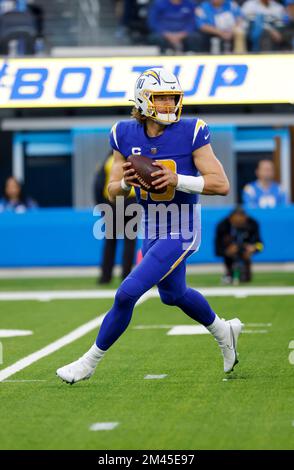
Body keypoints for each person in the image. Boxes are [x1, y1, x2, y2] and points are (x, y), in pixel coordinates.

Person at [56, 67, 243, 385]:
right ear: (144, 101)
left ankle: (87, 363)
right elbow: (112, 189)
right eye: (162, 98)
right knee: (173, 294)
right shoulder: (123, 134)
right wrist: (126, 184)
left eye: (173, 98)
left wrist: (178, 180)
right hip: (151, 225)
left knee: (127, 292)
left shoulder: (192, 131)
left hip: (183, 226)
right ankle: (224, 330)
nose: (170, 105)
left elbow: (221, 184)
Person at [94, 151, 137, 284]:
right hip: (131, 201)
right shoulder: (134, 161)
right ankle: (127, 276)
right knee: (130, 241)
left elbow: (98, 184)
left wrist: (100, 205)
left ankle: (105, 277)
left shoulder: (109, 161)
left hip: (112, 202)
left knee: (110, 241)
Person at [215, 206, 263, 284]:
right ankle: (229, 273)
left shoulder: (253, 224)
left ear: (245, 218)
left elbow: (260, 245)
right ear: (231, 218)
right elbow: (217, 248)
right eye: (236, 221)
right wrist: (226, 251)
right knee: (230, 277)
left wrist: (254, 249)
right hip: (229, 256)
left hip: (246, 254)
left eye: (241, 220)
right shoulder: (222, 226)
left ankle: (245, 272)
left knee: (246, 280)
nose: (239, 223)